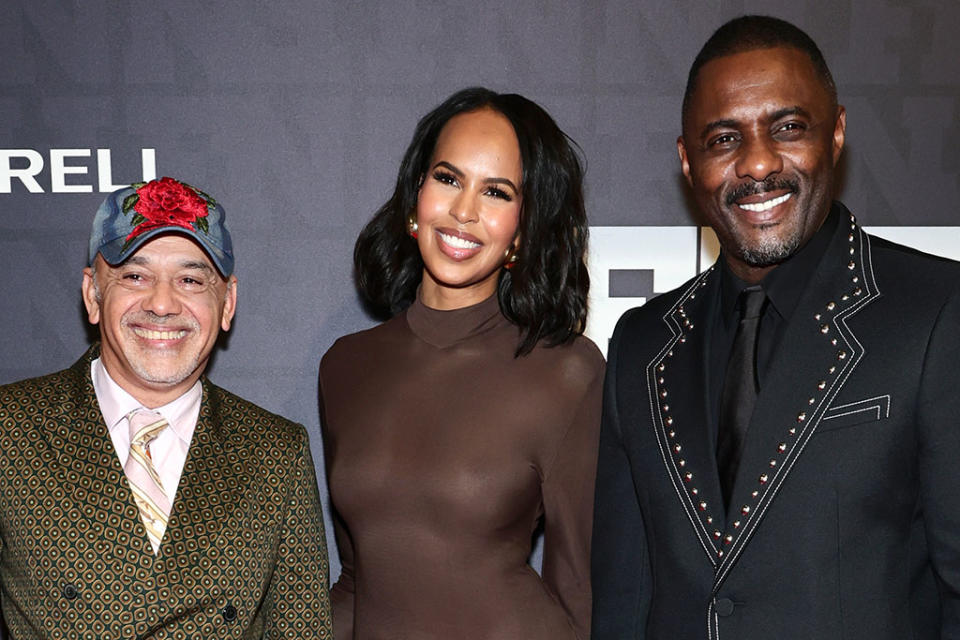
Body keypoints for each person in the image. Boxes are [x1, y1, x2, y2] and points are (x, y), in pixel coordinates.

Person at [591, 15, 960, 640]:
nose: (758, 164)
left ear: (836, 133)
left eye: (788, 128)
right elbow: (625, 603)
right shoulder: (641, 344)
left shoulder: (936, 313)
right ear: (688, 161)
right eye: (723, 139)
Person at [320, 87, 604, 639]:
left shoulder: (567, 371)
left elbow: (582, 592)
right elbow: (357, 582)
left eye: (496, 192)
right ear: (415, 196)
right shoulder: (345, 367)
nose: (464, 211)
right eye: (448, 178)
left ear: (523, 228)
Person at [0, 177, 332, 638]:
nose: (161, 303)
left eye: (191, 280)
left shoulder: (275, 453)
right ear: (93, 294)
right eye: (135, 276)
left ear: (227, 303)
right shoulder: (11, 428)